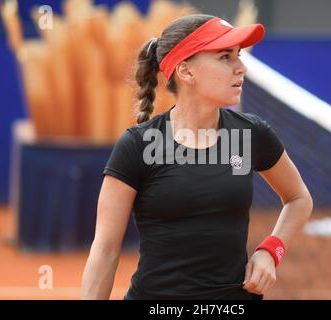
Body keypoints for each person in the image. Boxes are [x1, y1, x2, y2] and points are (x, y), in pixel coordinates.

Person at [81, 14, 313, 300]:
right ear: (186, 72)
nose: (241, 68)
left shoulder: (252, 134)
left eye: (238, 56)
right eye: (225, 57)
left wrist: (271, 250)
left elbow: (298, 198)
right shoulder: (136, 145)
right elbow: (105, 250)